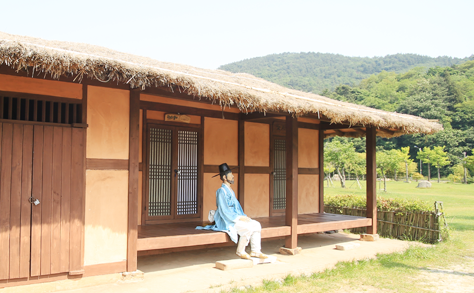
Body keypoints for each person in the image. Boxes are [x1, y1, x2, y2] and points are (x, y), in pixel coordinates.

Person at [196, 163, 268, 259]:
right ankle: (240, 251)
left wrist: (243, 216)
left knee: (256, 225)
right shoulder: (221, 191)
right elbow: (224, 210)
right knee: (247, 228)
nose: (233, 176)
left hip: (235, 217)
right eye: (230, 175)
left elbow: (237, 207)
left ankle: (255, 251)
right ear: (225, 177)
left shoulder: (230, 190)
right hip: (227, 220)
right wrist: (238, 218)